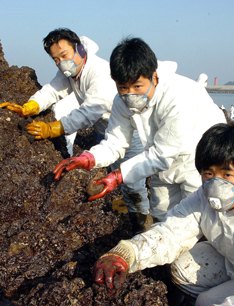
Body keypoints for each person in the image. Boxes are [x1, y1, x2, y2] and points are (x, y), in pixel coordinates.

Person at [93, 121, 234, 306]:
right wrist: (126, 253)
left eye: (227, 174)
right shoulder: (204, 195)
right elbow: (172, 231)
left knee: (207, 304)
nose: (216, 184)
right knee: (182, 267)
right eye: (208, 174)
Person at [53, 37, 226, 223]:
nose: (130, 95)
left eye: (137, 86)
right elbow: (115, 142)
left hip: (199, 160)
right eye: (123, 87)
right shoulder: (121, 101)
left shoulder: (177, 97)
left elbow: (161, 154)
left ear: (154, 77)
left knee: (198, 219)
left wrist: (118, 176)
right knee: (162, 217)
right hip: (163, 164)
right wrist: (89, 158)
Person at [0, 28, 149, 232]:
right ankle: (121, 207)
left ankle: (140, 223)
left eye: (64, 55)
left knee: (132, 178)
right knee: (110, 170)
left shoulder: (99, 72)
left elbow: (88, 113)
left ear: (79, 48)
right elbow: (53, 90)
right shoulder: (71, 72)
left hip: (128, 132)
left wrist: (52, 129)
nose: (61, 63)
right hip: (102, 130)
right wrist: (31, 105)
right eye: (55, 59)